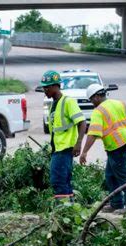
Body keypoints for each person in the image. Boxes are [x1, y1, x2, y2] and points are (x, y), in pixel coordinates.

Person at [80, 84, 126, 213]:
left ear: (96, 97)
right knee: (110, 176)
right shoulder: (120, 104)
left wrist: (84, 152)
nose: (91, 103)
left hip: (118, 146)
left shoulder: (99, 111)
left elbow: (93, 133)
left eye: (91, 100)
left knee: (125, 177)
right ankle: (116, 203)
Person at [40, 70, 86, 201]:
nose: (45, 90)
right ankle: (69, 210)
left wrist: (78, 143)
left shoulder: (68, 102)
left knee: (58, 181)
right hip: (58, 150)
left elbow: (82, 122)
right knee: (64, 182)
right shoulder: (54, 105)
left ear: (56, 86)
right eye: (44, 87)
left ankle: (63, 211)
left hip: (64, 149)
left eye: (47, 87)